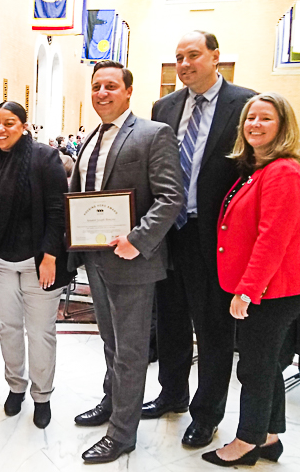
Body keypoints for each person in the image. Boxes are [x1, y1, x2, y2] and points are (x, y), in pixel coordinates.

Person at [143, 31, 256, 448]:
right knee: (169, 320)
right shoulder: (165, 106)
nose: (185, 64)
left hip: (215, 235)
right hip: (168, 232)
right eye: (178, 58)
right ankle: (172, 394)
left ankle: (206, 413)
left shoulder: (245, 104)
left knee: (212, 328)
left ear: (215, 56)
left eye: (193, 55)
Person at [71, 60, 183, 464]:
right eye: (97, 85)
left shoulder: (154, 134)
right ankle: (112, 401)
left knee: (131, 350)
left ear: (128, 91)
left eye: (111, 86)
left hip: (133, 262)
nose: (102, 93)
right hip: (96, 260)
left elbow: (172, 198)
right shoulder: (90, 139)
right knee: (110, 343)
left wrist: (137, 240)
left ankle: (121, 434)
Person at [202, 93, 300, 467]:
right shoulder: (258, 169)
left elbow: (273, 238)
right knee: (268, 363)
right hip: (265, 288)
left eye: (265, 119)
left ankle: (246, 442)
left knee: (255, 367)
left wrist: (247, 289)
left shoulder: (283, 171)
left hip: (272, 291)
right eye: (250, 118)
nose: (255, 124)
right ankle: (270, 438)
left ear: (283, 127)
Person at [0, 101, 68, 429]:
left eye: (9, 123)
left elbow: (58, 209)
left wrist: (50, 255)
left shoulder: (44, 157)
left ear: (24, 125)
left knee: (41, 333)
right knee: (8, 328)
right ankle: (16, 387)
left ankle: (43, 395)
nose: (0, 129)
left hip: (37, 262)